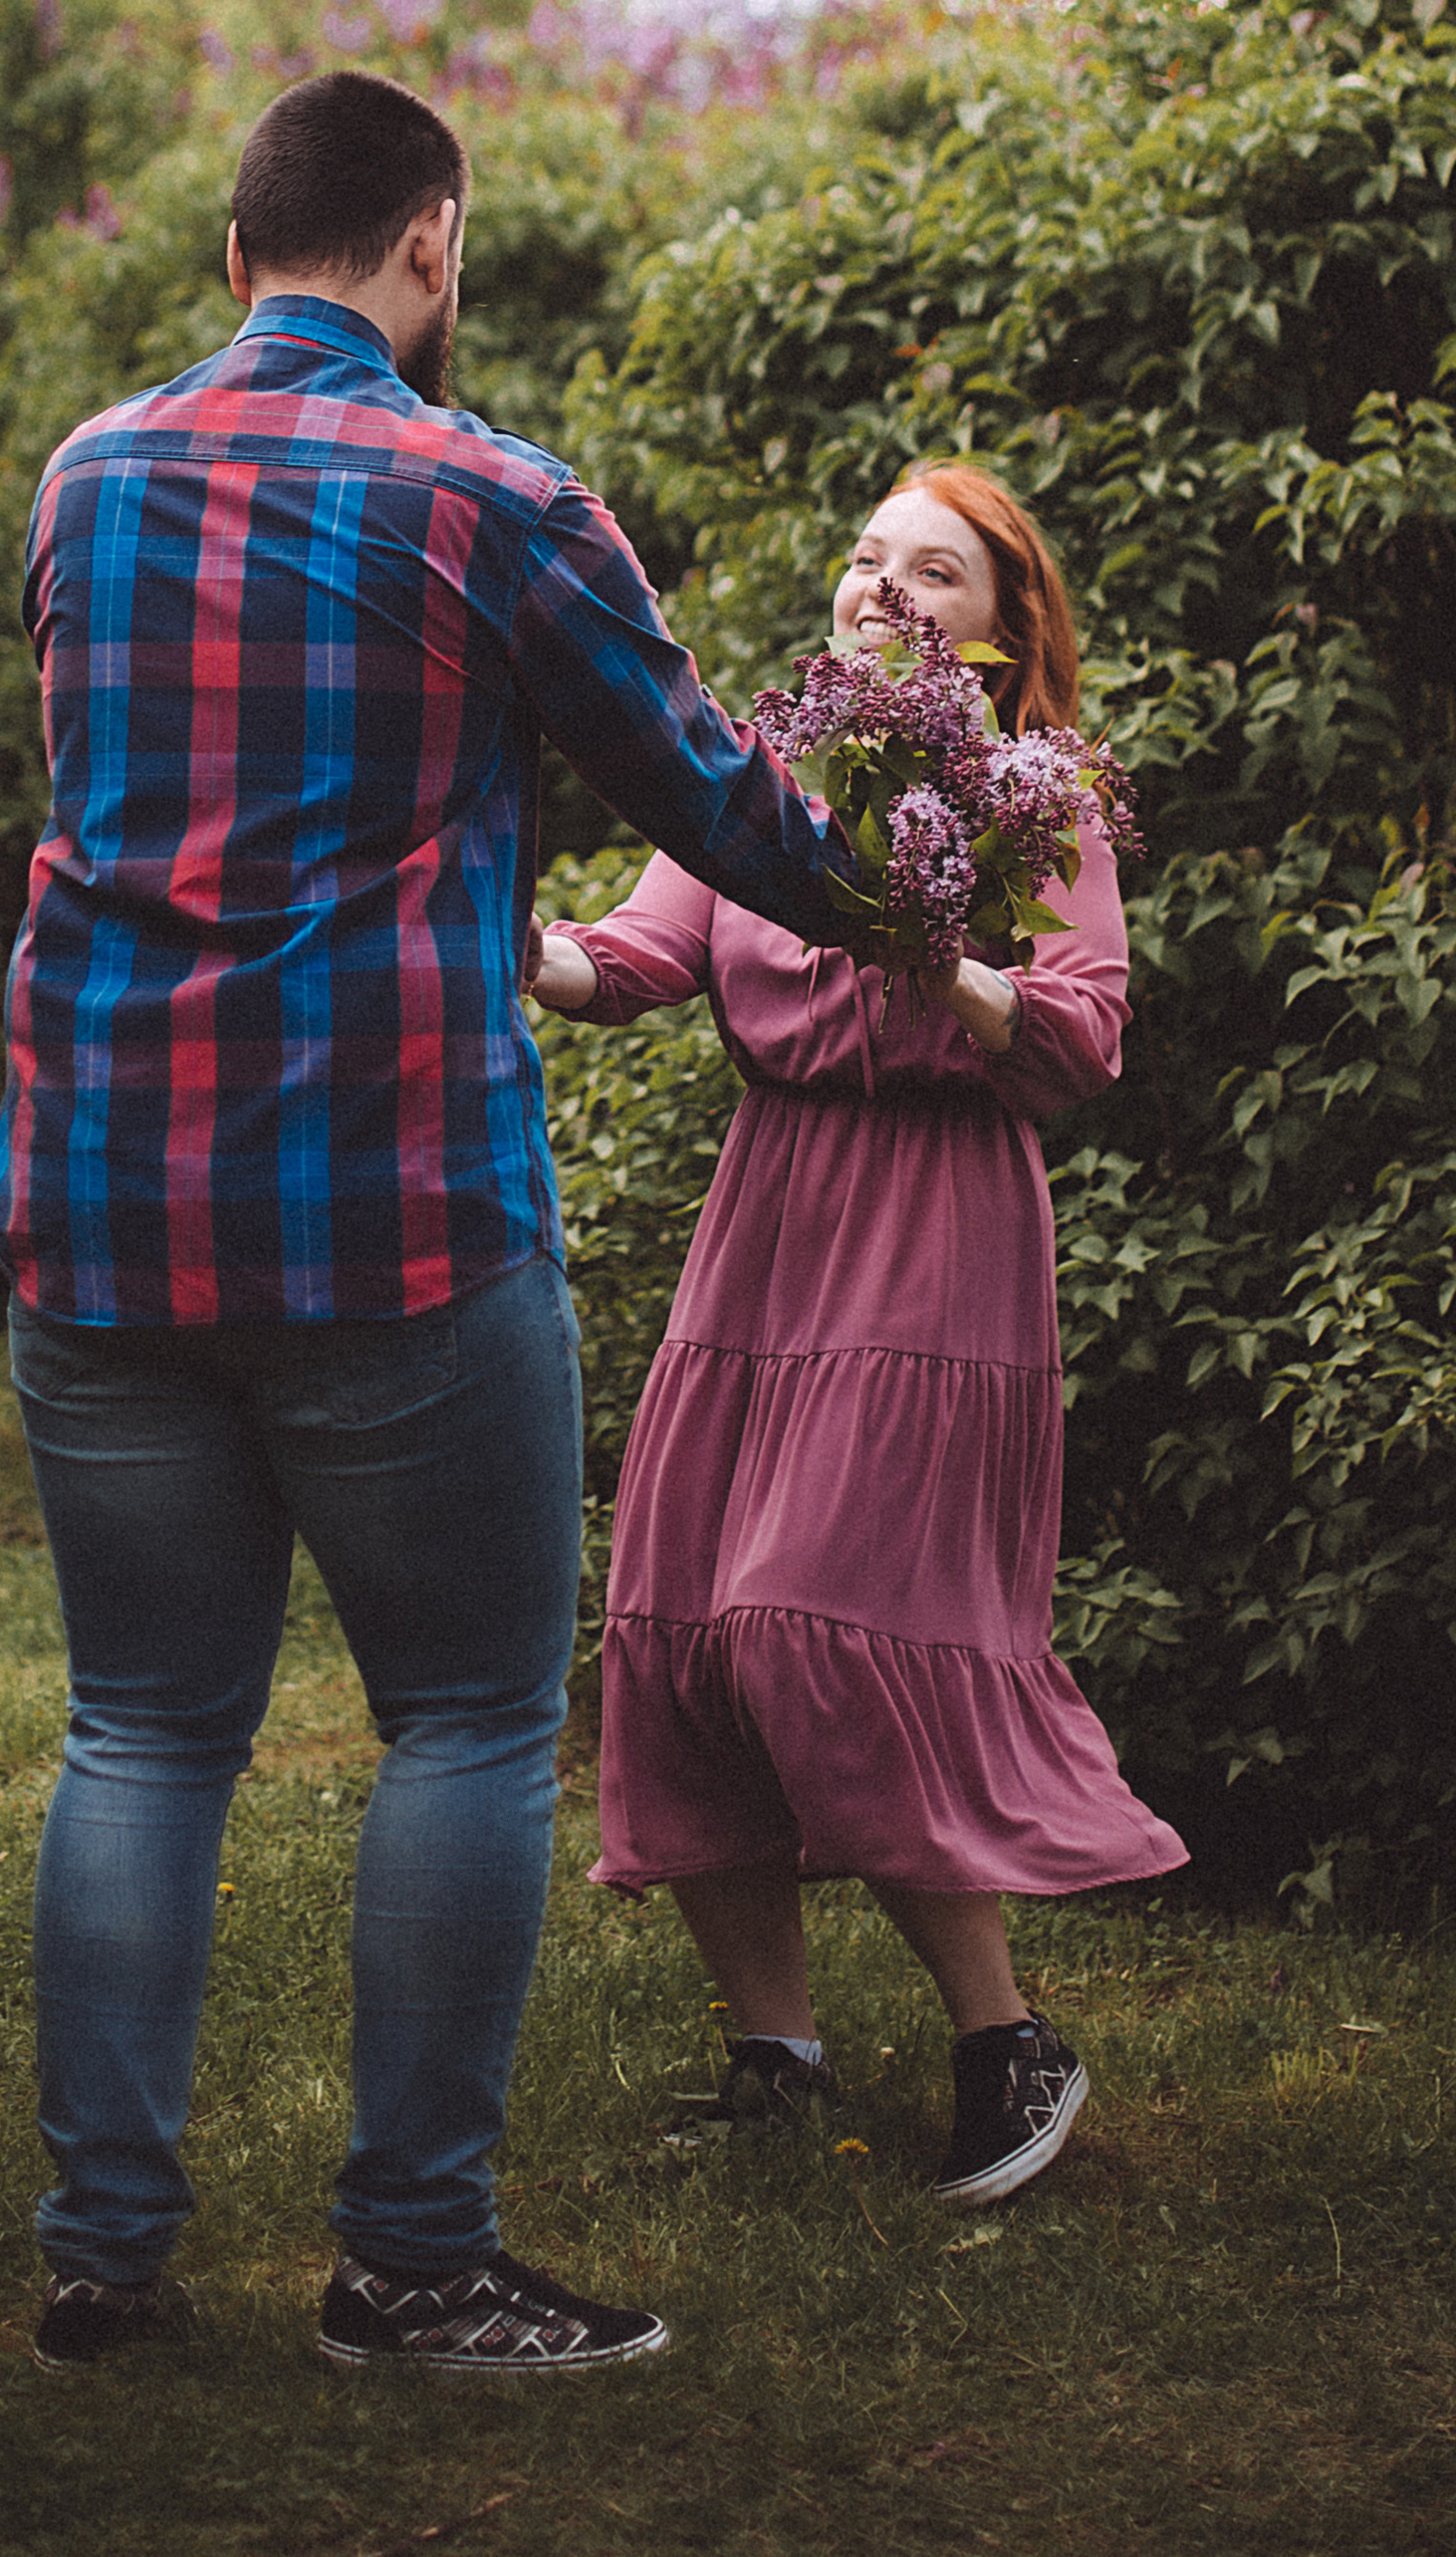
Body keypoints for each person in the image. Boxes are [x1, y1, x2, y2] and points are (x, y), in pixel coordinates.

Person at [0, 69, 855, 2380]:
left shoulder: (89, 477)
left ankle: (107, 2262)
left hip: (98, 1201)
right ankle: (412, 2263)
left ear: (237, 244)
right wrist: (928, 874)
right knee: (466, 1718)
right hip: (391, 1211)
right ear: (429, 244)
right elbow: (718, 808)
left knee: (143, 1728)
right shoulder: (492, 499)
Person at [529, 461, 1186, 2204]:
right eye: (869, 562)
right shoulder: (764, 777)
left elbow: (1081, 1036)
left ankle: (1006, 2042)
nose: (886, 591)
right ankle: (777, 2054)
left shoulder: (1035, 797)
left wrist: (937, 954)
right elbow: (639, 955)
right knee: (676, 1626)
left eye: (938, 573)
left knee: (812, 1617)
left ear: (1003, 628)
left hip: (935, 1236)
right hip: (768, 1231)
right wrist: (513, 946)